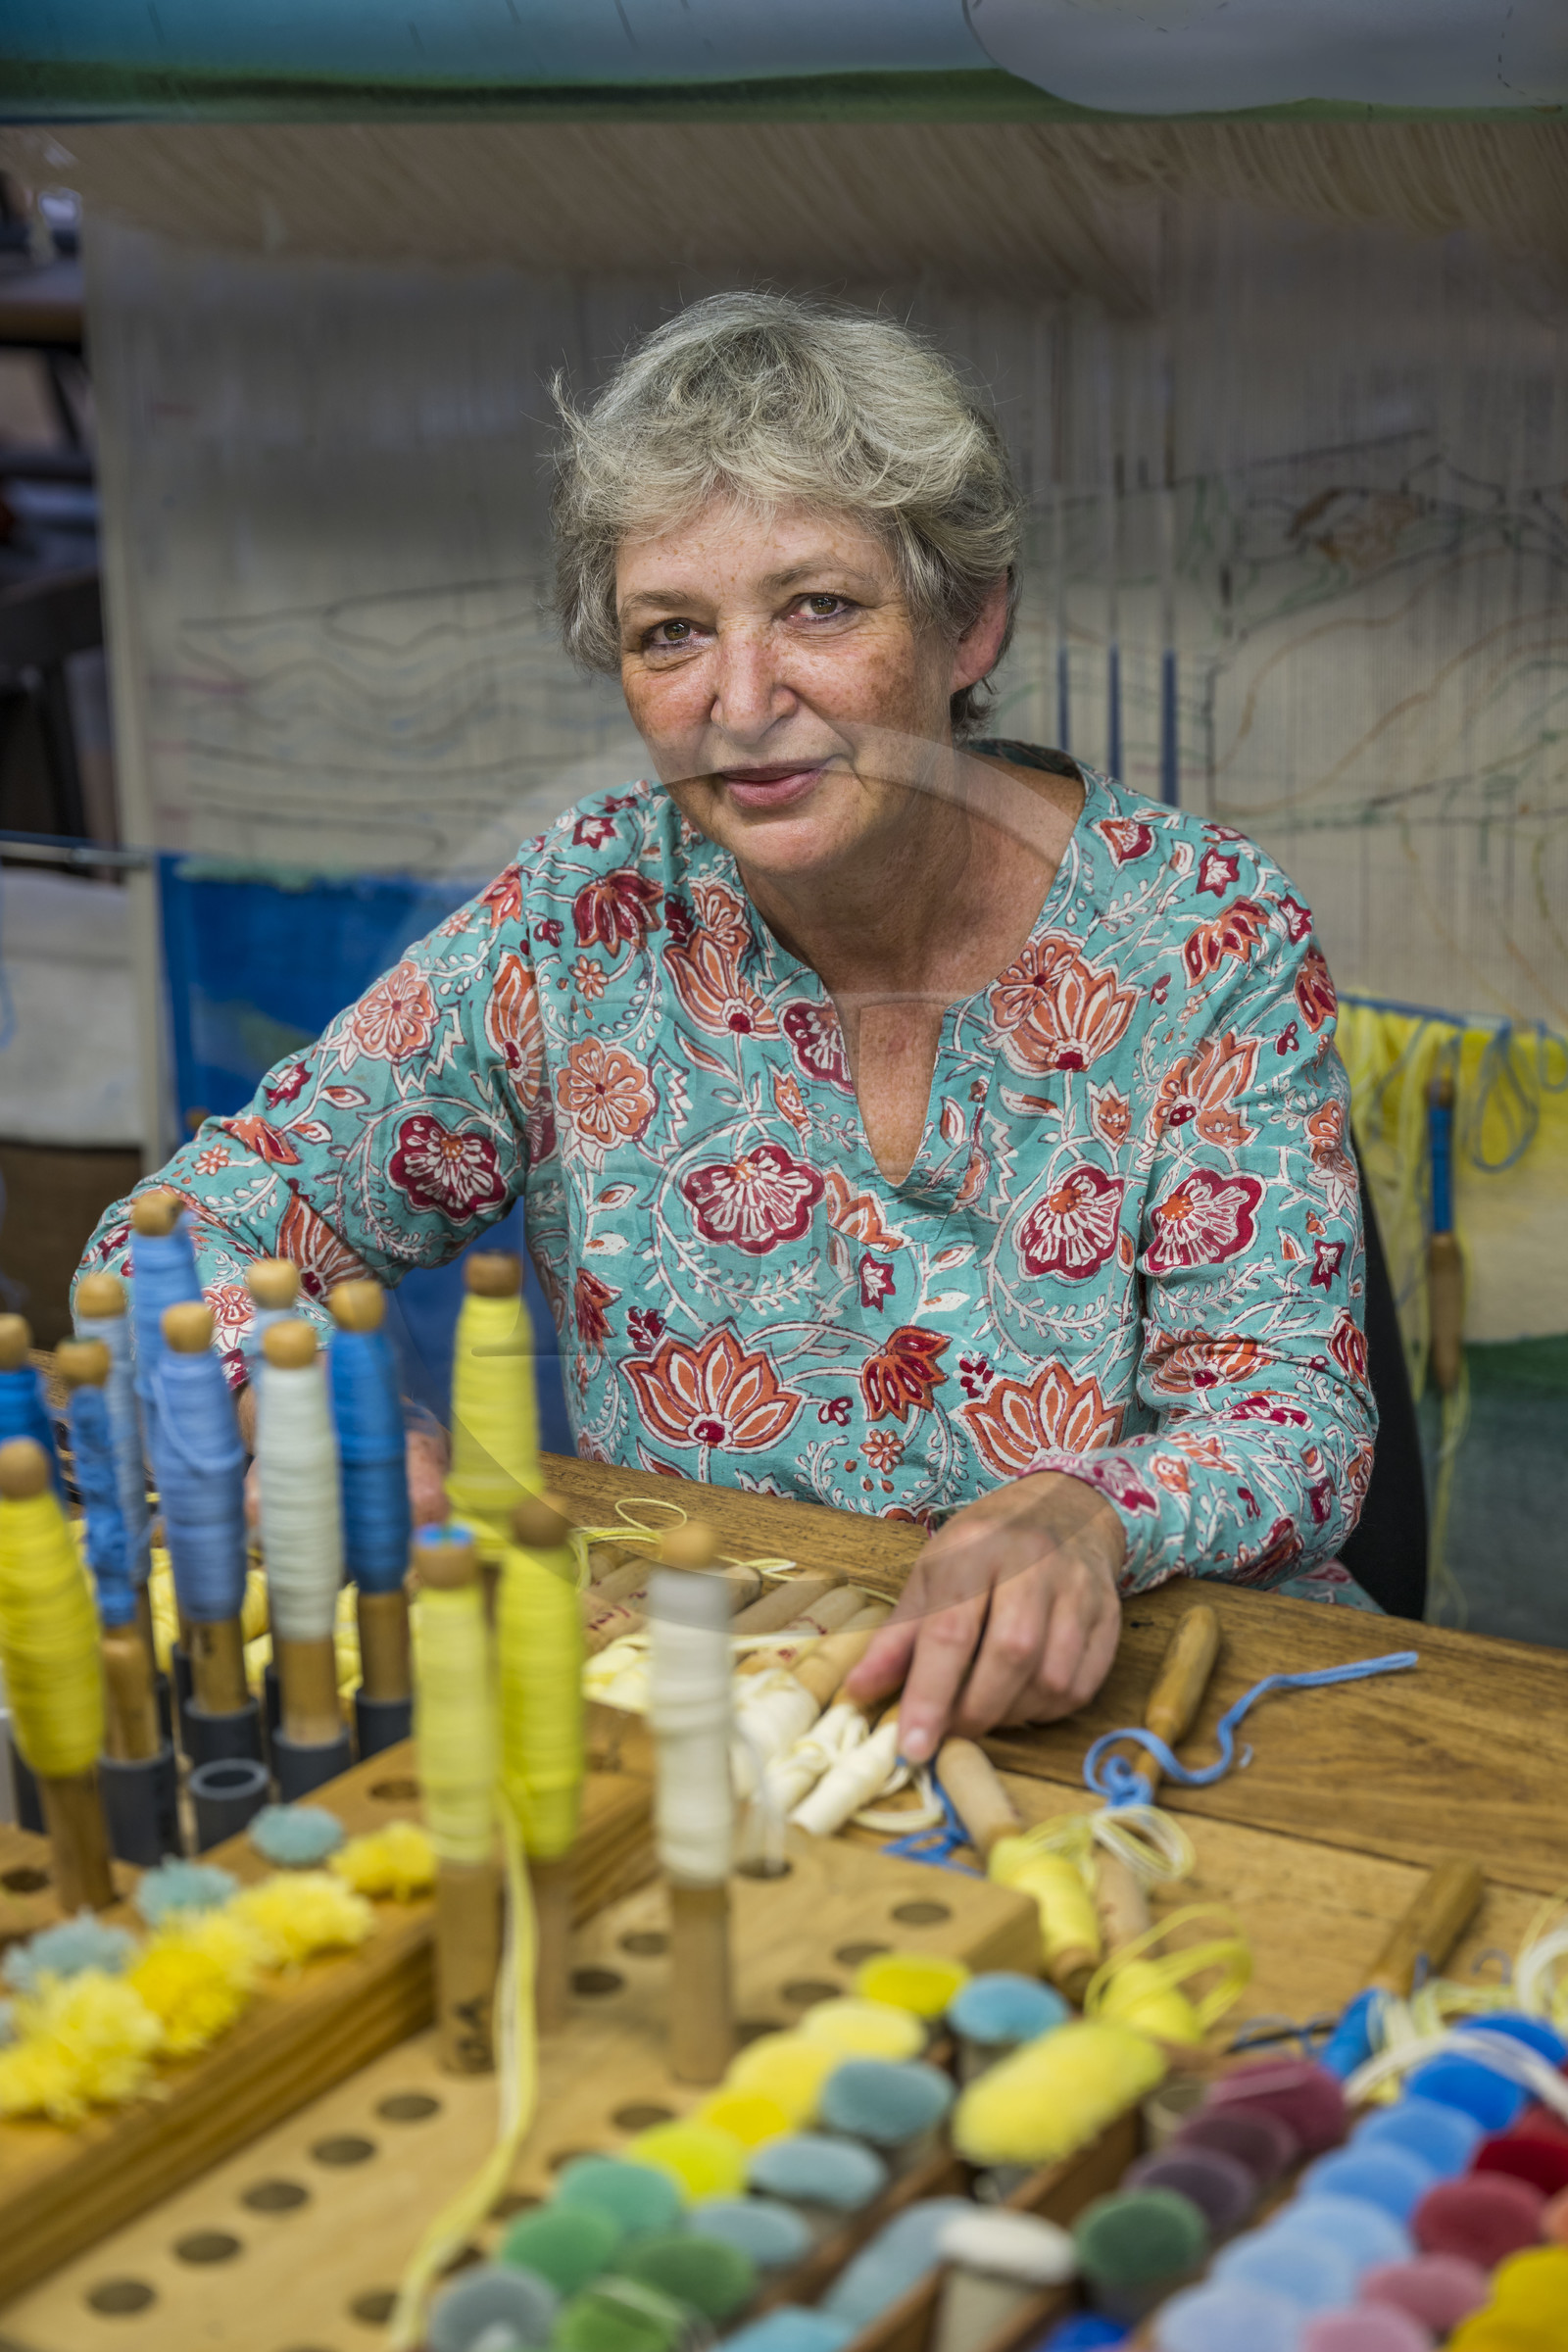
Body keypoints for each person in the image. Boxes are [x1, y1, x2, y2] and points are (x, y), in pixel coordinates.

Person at [79, 292, 1376, 1764]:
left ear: (971, 618)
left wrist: (1097, 1511)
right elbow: (164, 1247)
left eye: (819, 606)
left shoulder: (1202, 938)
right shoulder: (586, 921)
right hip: (728, 1730)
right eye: (671, 633)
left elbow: (1293, 1419)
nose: (741, 700)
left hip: (1144, 1718)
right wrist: (296, 1396)